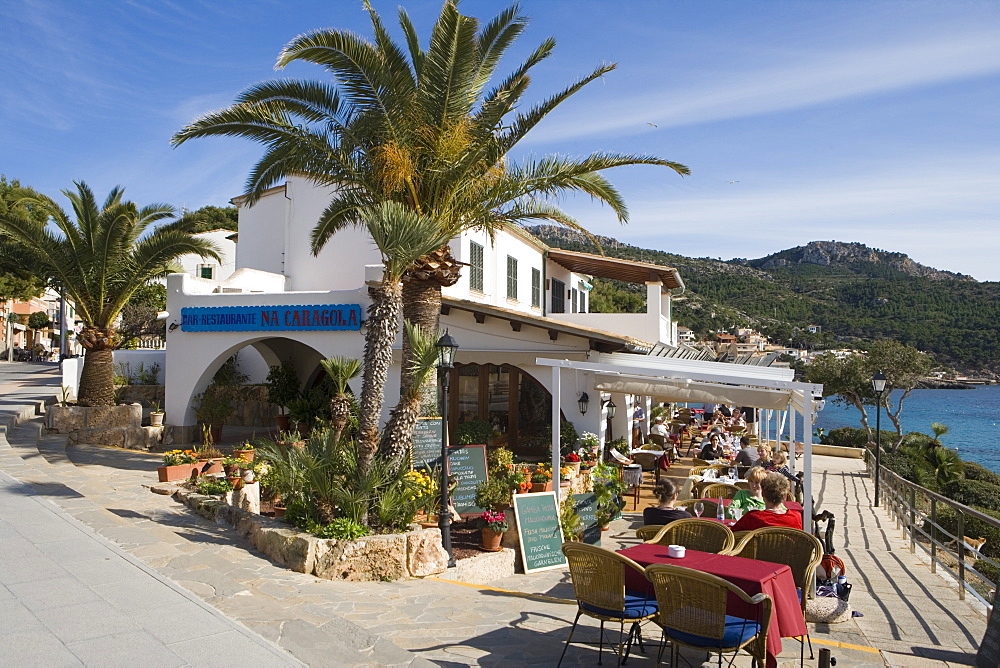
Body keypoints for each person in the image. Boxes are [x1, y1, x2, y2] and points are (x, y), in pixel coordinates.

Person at [731, 473, 803, 531]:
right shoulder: (796, 517)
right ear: (785, 496)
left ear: (762, 494)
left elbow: (733, 534)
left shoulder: (753, 517)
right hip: (790, 549)